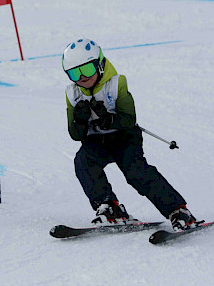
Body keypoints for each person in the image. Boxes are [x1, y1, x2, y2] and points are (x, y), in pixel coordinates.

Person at [62, 38, 196, 231]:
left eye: (87, 69)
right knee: (83, 162)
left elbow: (129, 119)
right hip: (96, 142)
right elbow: (75, 134)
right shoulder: (72, 93)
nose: (82, 77)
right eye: (74, 73)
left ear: (99, 65)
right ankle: (109, 207)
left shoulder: (117, 83)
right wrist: (80, 121)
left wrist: (110, 119)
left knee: (136, 173)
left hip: (124, 140)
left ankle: (179, 211)